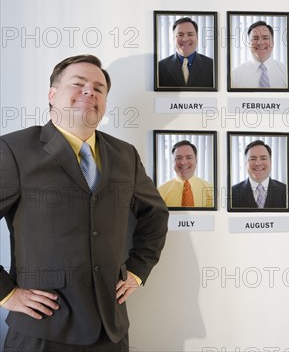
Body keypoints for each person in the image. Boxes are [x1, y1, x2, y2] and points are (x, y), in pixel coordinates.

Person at [0, 55, 169, 350]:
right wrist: (5, 294)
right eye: (78, 84)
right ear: (52, 95)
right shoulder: (14, 150)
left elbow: (155, 214)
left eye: (99, 89)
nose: (90, 92)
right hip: (43, 330)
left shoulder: (124, 155)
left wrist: (138, 269)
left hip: (110, 330)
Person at [158, 17, 214, 88]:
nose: (185, 39)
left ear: (197, 37)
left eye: (190, 34)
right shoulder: (160, 67)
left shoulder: (212, 66)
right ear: (173, 39)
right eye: (180, 35)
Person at [231, 140, 287, 209]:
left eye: (263, 158)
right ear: (246, 163)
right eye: (252, 159)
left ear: (270, 162)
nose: (258, 163)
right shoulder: (232, 193)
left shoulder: (286, 191)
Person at [231, 21, 288, 88]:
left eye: (265, 38)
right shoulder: (234, 75)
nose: (260, 42)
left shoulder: (287, 73)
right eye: (255, 38)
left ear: (273, 42)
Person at [158, 140, 214, 208]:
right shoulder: (160, 191)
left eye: (189, 157)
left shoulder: (210, 190)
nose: (183, 162)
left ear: (196, 161)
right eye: (178, 158)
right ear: (173, 162)